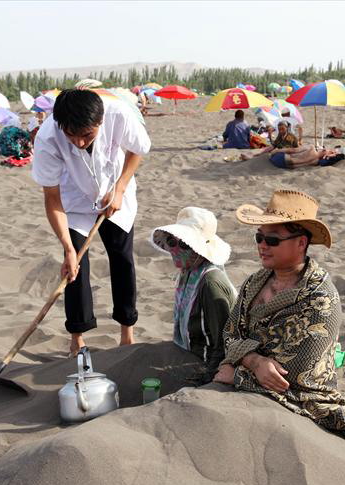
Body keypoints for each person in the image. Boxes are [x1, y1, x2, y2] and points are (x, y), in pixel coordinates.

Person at [213, 189, 345, 442]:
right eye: (259, 237)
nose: (261, 245)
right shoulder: (255, 282)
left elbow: (291, 377)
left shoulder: (320, 299)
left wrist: (236, 370)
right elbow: (229, 333)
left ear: (301, 243)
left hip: (299, 403)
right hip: (250, 388)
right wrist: (254, 361)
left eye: (272, 240)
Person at [32, 88, 151, 355]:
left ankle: (127, 332)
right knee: (75, 268)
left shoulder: (118, 114)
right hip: (74, 199)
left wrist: (119, 188)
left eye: (87, 135)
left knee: (122, 258)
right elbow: (52, 199)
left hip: (115, 192)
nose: (80, 143)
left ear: (100, 121)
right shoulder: (48, 137)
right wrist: (68, 248)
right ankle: (78, 337)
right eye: (71, 136)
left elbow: (138, 150)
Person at [151, 207, 237, 381]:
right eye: (171, 241)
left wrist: (208, 380)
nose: (174, 249)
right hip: (188, 351)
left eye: (184, 244)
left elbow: (224, 342)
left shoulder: (210, 283)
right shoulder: (189, 272)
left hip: (205, 363)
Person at [269, 144, 345, 169]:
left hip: (280, 159)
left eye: (329, 150)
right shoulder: (316, 162)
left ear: (323, 151)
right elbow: (326, 160)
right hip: (286, 166)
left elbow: (292, 150)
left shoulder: (311, 148)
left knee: (275, 152)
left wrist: (276, 151)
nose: (327, 149)